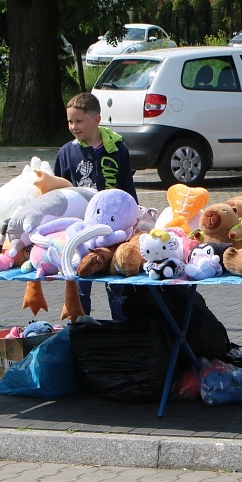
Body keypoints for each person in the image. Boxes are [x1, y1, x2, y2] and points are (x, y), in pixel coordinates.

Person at [55, 92, 138, 319]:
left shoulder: (117, 150)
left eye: (79, 121)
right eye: (70, 121)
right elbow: (59, 193)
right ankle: (80, 327)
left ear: (96, 120)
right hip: (80, 229)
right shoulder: (66, 152)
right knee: (80, 280)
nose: (73, 126)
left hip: (113, 230)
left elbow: (127, 188)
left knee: (116, 284)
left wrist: (134, 217)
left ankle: (123, 327)